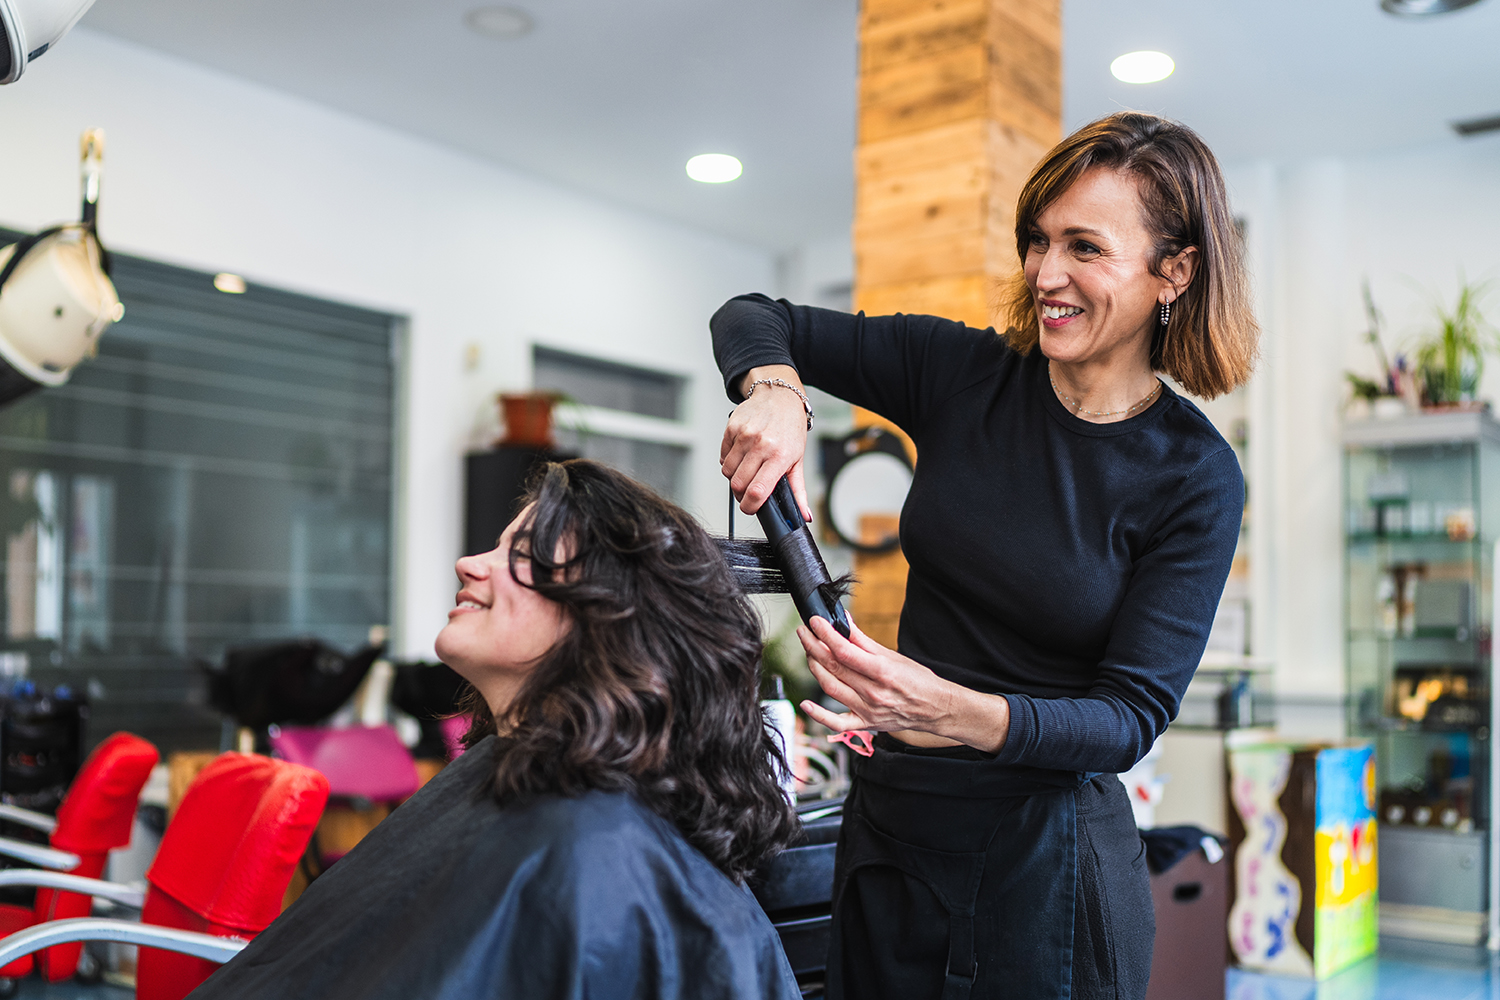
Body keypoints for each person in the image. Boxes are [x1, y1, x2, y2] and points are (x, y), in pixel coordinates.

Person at [712, 112, 1258, 1000]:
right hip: (891, 836)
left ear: (1176, 271)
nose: (1047, 274)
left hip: (1046, 870)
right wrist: (775, 391)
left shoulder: (1194, 475)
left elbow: (1127, 719)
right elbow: (752, 315)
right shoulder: (962, 374)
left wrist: (954, 710)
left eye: (1085, 246)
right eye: (1038, 241)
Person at [192, 459, 803, 1000]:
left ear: (607, 615)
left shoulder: (592, 849)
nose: (468, 563)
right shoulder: (520, 786)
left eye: (518, 553)